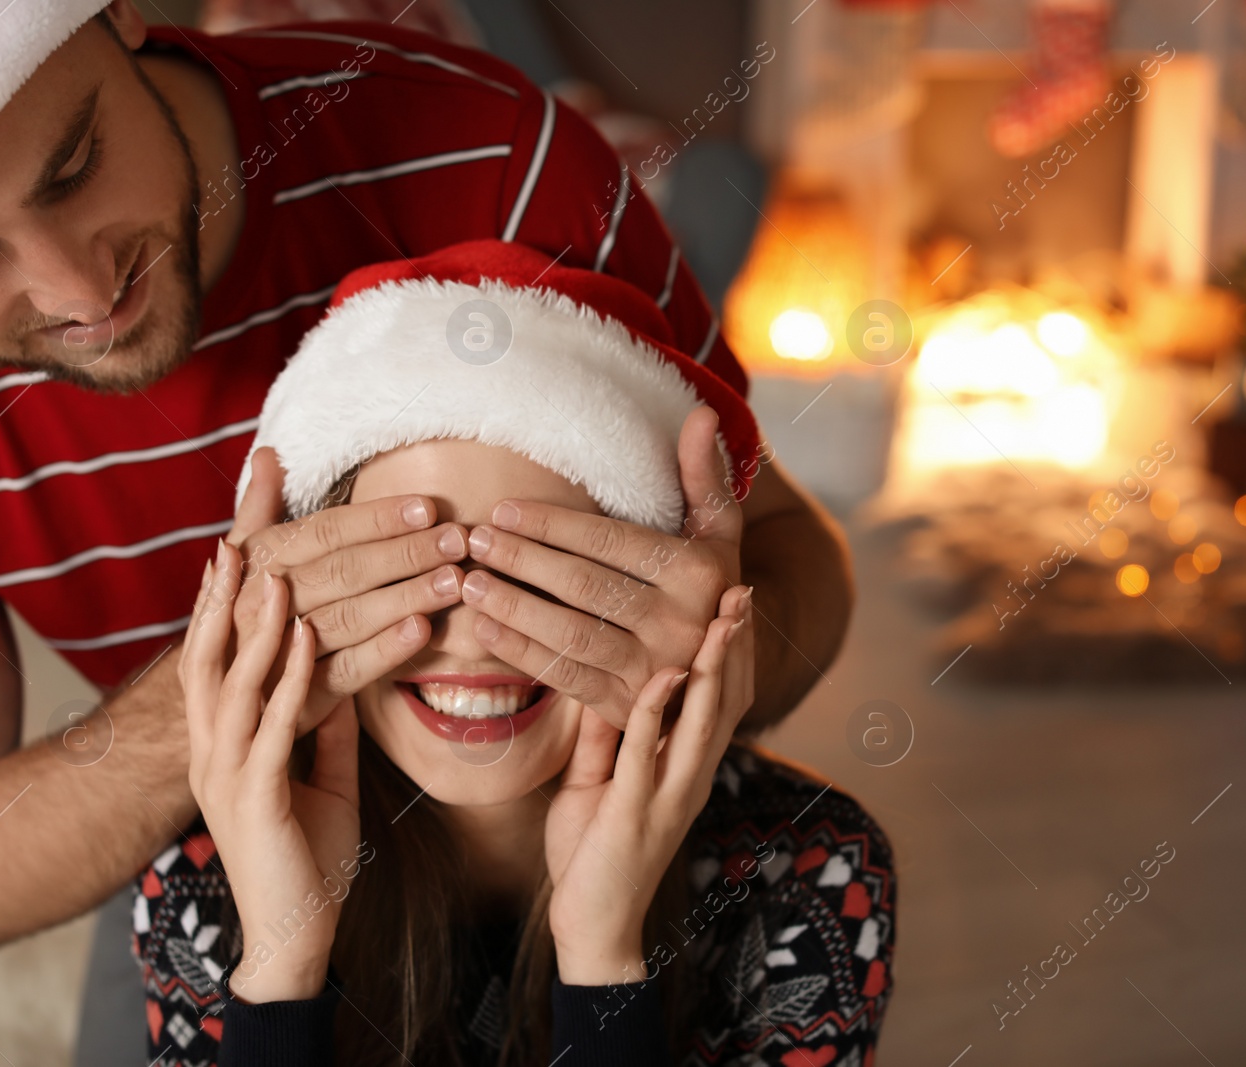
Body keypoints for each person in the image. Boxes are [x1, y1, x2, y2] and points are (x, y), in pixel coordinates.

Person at [0, 0, 851, 1012]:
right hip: (237, 867)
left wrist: (697, 659)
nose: (78, 288)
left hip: (596, 844)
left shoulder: (491, 157)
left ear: (122, 12)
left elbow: (797, 557)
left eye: (75, 163)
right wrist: (221, 692)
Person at [166, 240, 895, 1064]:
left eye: (546, 575)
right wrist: (280, 956)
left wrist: (604, 956)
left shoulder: (812, 869)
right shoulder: (206, 872)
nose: (474, 635)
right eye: (418, 569)